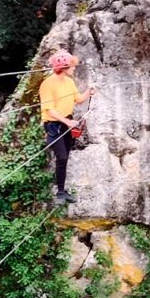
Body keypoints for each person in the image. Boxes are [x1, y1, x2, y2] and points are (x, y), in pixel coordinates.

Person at [39, 50, 95, 205]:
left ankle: (62, 192)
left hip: (66, 124)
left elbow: (78, 100)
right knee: (62, 157)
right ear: (63, 66)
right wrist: (67, 122)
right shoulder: (47, 84)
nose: (74, 68)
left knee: (65, 158)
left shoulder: (69, 82)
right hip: (54, 125)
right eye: (71, 65)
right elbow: (49, 109)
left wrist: (88, 92)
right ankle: (60, 194)